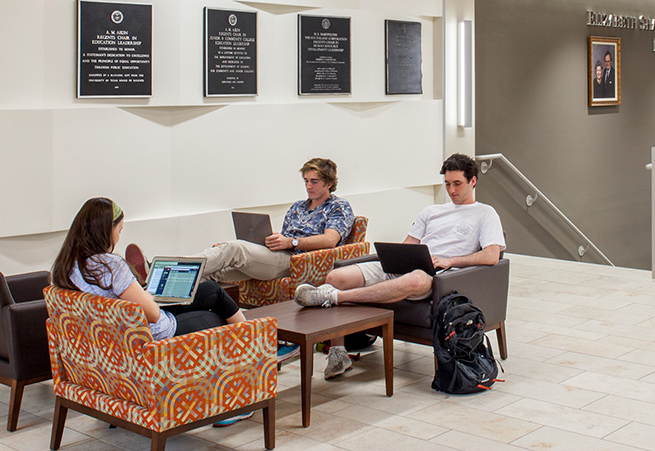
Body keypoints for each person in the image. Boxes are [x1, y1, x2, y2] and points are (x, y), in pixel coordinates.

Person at [52, 197, 278, 424]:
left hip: (117, 344)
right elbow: (151, 313)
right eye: (119, 231)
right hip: (155, 339)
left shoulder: (67, 265)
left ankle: (250, 334)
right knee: (216, 319)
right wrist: (147, 296)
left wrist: (144, 296)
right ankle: (230, 400)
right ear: (104, 231)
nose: (119, 237)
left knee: (211, 289)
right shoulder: (110, 265)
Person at [294, 153, 504, 379]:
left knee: (416, 279)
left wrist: (450, 261)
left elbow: (492, 255)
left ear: (473, 181)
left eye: (457, 184)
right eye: (447, 184)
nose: (451, 190)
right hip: (405, 266)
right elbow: (409, 244)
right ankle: (338, 352)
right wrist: (395, 257)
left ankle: (334, 298)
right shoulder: (431, 211)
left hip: (439, 277)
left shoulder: (485, 213)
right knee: (336, 277)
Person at [147, 158, 354, 285]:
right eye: (306, 181)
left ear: (329, 183)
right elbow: (283, 240)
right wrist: (271, 241)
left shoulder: (338, 207)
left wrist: (292, 243)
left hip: (301, 263)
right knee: (210, 274)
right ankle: (156, 284)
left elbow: (330, 240)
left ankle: (166, 266)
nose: (308, 186)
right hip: (279, 256)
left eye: (314, 182)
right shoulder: (298, 206)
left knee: (234, 248)